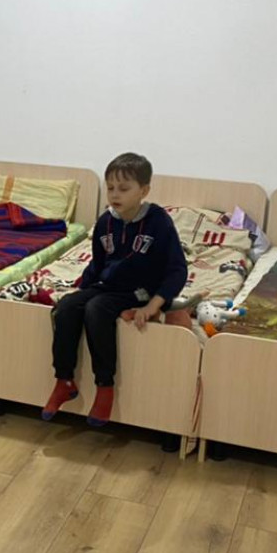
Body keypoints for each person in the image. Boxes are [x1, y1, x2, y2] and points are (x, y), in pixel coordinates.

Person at [44, 152, 187, 427]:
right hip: (110, 288)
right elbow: (97, 265)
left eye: (123, 188)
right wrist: (79, 291)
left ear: (143, 190)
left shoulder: (158, 221)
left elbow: (177, 270)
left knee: (96, 309)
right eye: (110, 188)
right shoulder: (105, 223)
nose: (114, 194)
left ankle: (105, 387)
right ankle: (64, 380)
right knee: (67, 307)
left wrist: (153, 305)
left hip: (142, 291)